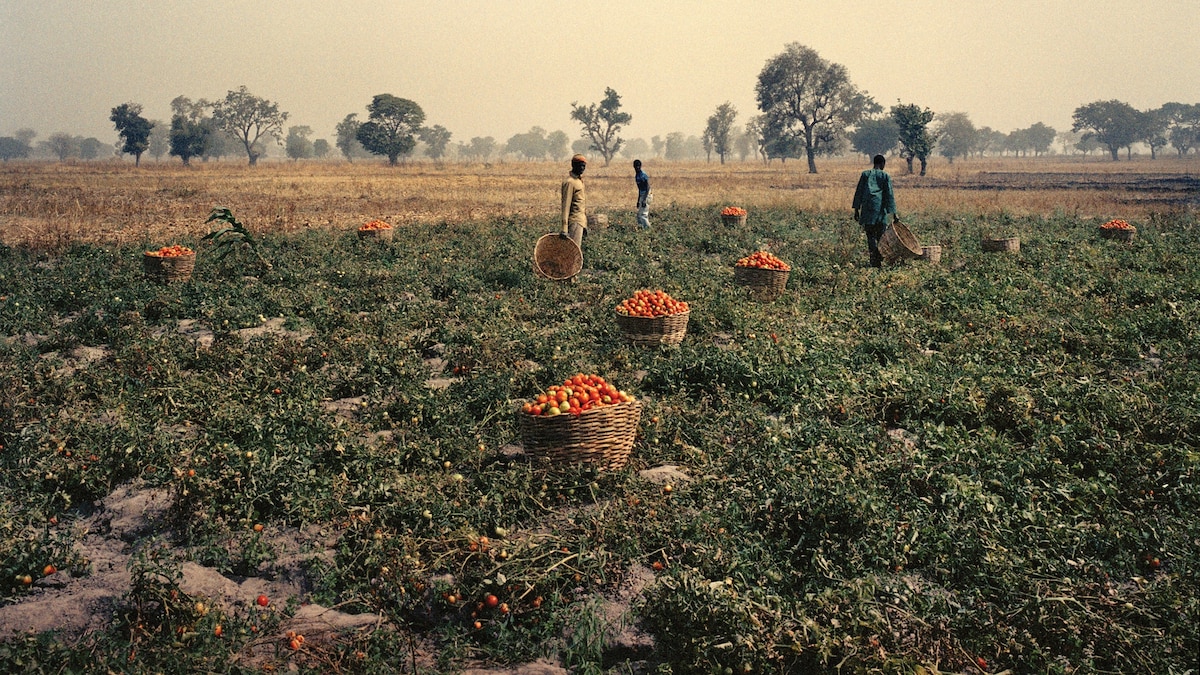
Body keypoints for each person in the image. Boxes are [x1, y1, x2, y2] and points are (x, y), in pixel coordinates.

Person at [852, 154, 899, 268]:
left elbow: (859, 192)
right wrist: (894, 214)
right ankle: (880, 258)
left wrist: (856, 210)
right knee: (881, 237)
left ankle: (874, 261)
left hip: (867, 211)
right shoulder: (885, 176)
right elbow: (889, 195)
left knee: (870, 236)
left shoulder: (865, 174)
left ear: (874, 163)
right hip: (880, 211)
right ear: (882, 164)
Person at [559, 154, 587, 247]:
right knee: (573, 253)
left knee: (577, 252)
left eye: (584, 166)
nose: (582, 168)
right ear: (573, 165)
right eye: (580, 165)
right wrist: (564, 228)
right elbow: (565, 206)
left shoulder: (579, 181)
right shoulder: (570, 182)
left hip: (580, 221)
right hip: (574, 221)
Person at [633, 159, 651, 229]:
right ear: (634, 166)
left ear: (640, 166)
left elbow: (648, 187)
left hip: (647, 195)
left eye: (638, 166)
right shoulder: (637, 176)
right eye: (636, 166)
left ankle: (648, 230)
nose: (637, 167)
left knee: (643, 215)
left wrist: (644, 200)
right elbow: (640, 189)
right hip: (642, 195)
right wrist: (638, 200)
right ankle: (641, 229)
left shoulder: (643, 175)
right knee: (639, 215)